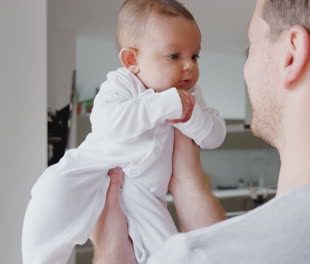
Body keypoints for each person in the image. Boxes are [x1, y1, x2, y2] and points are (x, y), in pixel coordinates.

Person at [93, 0, 310, 263]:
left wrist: (110, 254)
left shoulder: (196, 256)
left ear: (291, 55)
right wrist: (190, 185)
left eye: (252, 43)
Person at [21, 1, 226, 263]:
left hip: (147, 192)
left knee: (167, 249)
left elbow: (214, 136)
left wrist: (190, 116)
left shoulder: (190, 97)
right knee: (52, 191)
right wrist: (164, 104)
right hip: (96, 169)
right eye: (174, 56)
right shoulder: (122, 83)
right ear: (132, 60)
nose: (188, 66)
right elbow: (109, 124)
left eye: (194, 56)